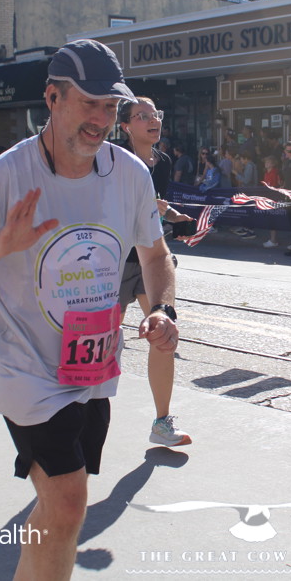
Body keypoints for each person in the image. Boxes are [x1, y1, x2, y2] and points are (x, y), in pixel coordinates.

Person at [0, 39, 176, 581]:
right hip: (25, 369)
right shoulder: (7, 175)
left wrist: (162, 310)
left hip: (92, 367)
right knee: (66, 499)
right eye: (88, 103)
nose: (101, 118)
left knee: (63, 512)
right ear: (52, 98)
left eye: (110, 106)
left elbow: (155, 255)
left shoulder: (130, 173)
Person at [116, 96, 194, 446]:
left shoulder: (162, 162)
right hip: (115, 262)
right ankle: (79, 417)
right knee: (100, 342)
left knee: (164, 335)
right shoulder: (113, 160)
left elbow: (155, 206)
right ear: (125, 126)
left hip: (150, 260)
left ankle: (162, 423)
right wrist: (150, 208)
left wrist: (175, 216)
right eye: (142, 116)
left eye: (156, 114)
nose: (153, 120)